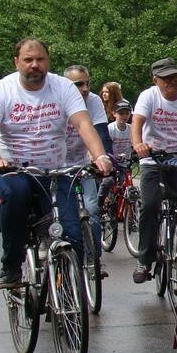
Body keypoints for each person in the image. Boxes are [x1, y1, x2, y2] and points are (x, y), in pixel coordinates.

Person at [0, 38, 113, 289]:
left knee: (73, 232)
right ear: (17, 62)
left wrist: (100, 155)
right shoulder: (1, 91)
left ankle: (65, 292)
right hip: (14, 169)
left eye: (40, 59)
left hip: (56, 171)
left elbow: (83, 124)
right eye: (28, 60)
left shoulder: (63, 87)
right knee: (16, 196)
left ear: (48, 61)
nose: (34, 65)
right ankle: (12, 266)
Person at [131, 57, 177, 283]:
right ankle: (145, 259)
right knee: (150, 205)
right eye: (166, 79)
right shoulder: (148, 96)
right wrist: (138, 145)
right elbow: (137, 125)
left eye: (174, 77)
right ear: (155, 80)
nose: (171, 82)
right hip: (153, 159)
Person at [63, 65, 114, 264]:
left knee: (91, 211)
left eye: (87, 83)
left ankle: (93, 261)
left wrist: (104, 157)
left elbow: (101, 132)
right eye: (78, 84)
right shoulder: (57, 100)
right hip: (56, 165)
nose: (85, 88)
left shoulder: (93, 101)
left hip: (82, 164)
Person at [97, 99, 133, 210]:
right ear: (114, 114)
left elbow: (134, 144)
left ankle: (126, 209)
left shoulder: (131, 129)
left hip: (125, 162)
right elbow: (105, 145)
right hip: (112, 162)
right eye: (121, 113)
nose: (124, 116)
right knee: (108, 182)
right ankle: (99, 202)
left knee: (127, 184)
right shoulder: (110, 129)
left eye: (127, 113)